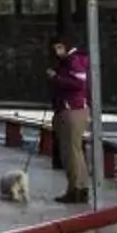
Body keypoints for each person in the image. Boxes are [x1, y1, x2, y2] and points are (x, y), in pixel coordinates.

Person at [48, 34, 94, 204]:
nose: (56, 51)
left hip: (71, 110)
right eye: (55, 48)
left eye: (59, 47)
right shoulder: (74, 60)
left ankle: (75, 189)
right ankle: (81, 187)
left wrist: (55, 78)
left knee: (70, 152)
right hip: (74, 109)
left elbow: (78, 84)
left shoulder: (73, 61)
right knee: (76, 151)